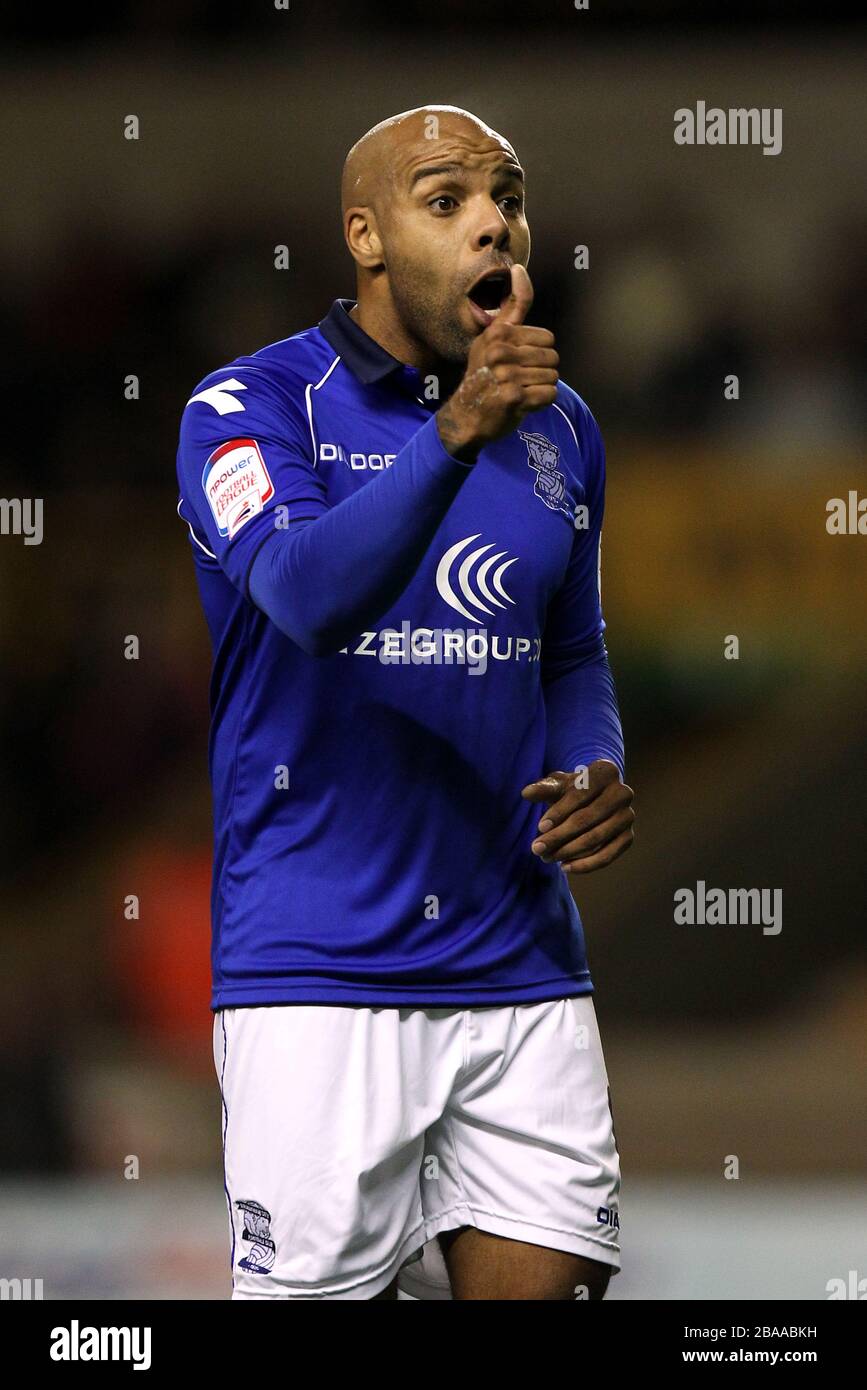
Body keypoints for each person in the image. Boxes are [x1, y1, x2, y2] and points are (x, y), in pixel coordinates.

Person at [176, 104, 634, 1301]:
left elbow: (572, 648)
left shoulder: (563, 428)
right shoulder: (247, 410)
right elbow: (308, 593)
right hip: (320, 974)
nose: (495, 222)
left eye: (508, 199)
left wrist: (592, 756)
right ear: (366, 238)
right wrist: (455, 430)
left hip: (521, 966)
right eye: (447, 202)